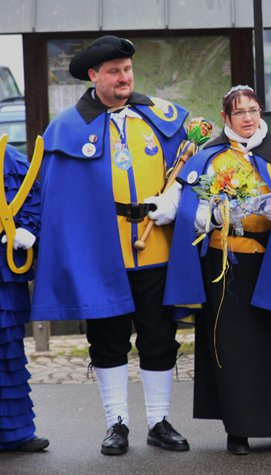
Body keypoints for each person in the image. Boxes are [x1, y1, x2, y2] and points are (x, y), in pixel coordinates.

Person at [31, 35, 190, 455]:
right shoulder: (66, 127)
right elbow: (54, 197)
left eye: (128, 70)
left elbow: (197, 166)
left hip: (156, 247)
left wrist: (174, 200)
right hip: (100, 254)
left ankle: (158, 420)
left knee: (160, 337)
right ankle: (116, 422)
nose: (124, 78)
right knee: (108, 339)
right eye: (115, 72)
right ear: (94, 76)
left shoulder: (160, 116)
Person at [164, 85, 271, 455]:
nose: (248, 118)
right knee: (232, 348)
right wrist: (210, 216)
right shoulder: (208, 158)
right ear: (225, 117)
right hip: (226, 262)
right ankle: (238, 430)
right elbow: (186, 212)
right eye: (239, 112)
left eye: (253, 110)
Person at [0, 143, 48, 453]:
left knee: (6, 351)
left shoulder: (10, 159)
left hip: (3, 275)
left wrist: (27, 229)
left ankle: (12, 432)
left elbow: (34, 198)